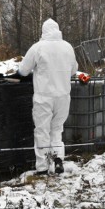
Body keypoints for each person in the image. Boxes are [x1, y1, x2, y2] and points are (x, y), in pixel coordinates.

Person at [19, 18, 78, 175]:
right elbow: (74, 70)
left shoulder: (38, 47)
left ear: (43, 31)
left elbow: (23, 70)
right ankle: (58, 160)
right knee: (57, 129)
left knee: (42, 131)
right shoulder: (68, 47)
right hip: (63, 96)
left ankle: (42, 167)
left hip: (44, 97)